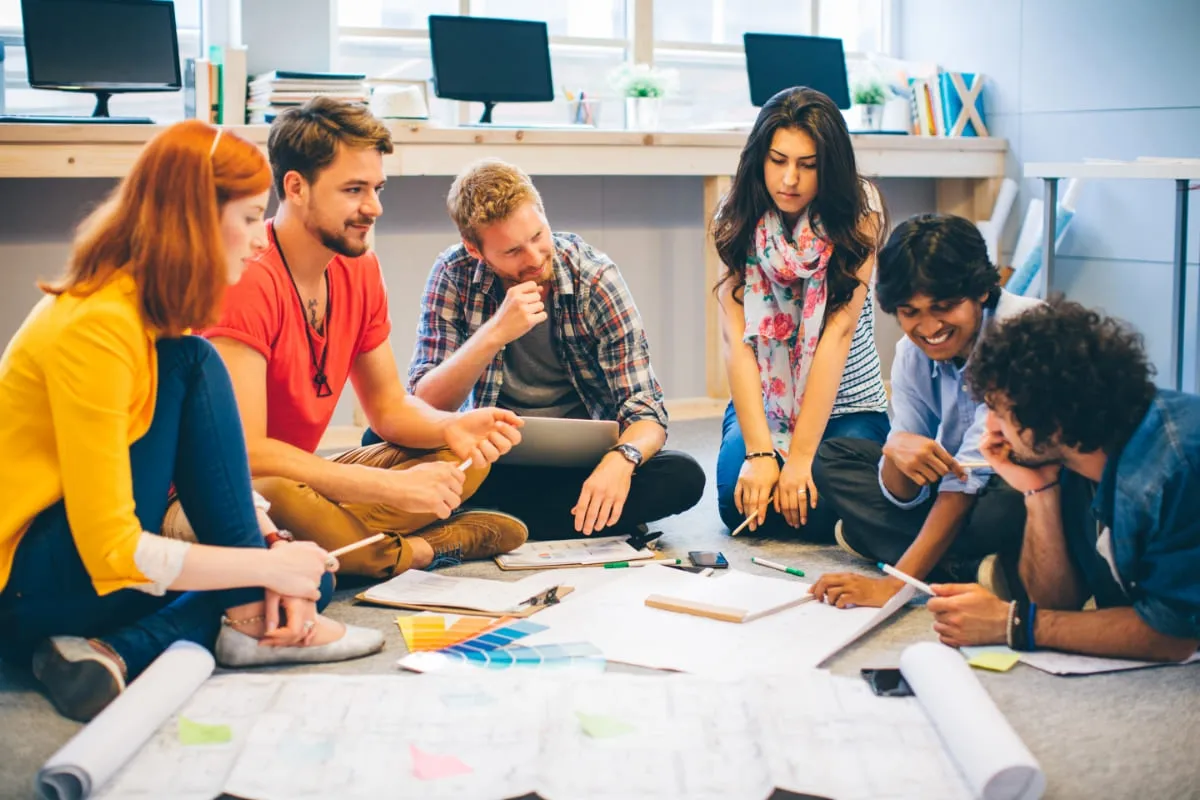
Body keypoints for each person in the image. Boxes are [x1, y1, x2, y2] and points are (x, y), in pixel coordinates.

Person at [0, 122, 382, 723]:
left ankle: (135, 646)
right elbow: (114, 550)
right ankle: (185, 632)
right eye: (252, 217)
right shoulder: (96, 327)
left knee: (302, 580)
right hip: (29, 588)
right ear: (196, 220)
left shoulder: (144, 314)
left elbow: (202, 467)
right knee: (273, 582)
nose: (260, 241)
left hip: (85, 570)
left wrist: (272, 548)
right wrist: (263, 566)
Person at [164, 99, 527, 579]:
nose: (373, 207)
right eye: (354, 190)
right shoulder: (247, 277)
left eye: (377, 187)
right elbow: (245, 451)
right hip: (214, 489)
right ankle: (419, 551)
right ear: (296, 187)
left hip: (304, 477)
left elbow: (389, 409)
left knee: (464, 456)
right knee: (278, 494)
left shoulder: (359, 267)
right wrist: (384, 489)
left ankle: (346, 542)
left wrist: (449, 427)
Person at [387, 157, 705, 539]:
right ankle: (553, 519)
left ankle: (487, 520)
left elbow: (646, 410)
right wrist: (494, 334)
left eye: (538, 236)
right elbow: (425, 405)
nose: (535, 259)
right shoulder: (453, 274)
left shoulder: (595, 278)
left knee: (682, 476)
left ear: (544, 214)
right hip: (487, 459)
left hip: (581, 463)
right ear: (475, 250)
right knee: (383, 443)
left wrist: (621, 460)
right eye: (512, 252)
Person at [927, 301, 1200, 662]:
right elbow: (1056, 601)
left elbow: (1174, 636)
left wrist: (1014, 623)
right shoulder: (1074, 456)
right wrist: (1038, 492)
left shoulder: (1177, 466)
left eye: (998, 411)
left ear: (1049, 420)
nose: (990, 427)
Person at [811, 214, 1039, 608]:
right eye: (910, 311)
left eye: (944, 306)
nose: (928, 327)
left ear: (982, 291)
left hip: (1026, 483)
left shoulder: (1021, 333)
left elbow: (965, 483)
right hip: (958, 483)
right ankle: (972, 567)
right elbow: (904, 489)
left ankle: (887, 544)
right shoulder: (910, 352)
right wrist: (897, 450)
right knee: (834, 457)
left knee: (1004, 508)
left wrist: (896, 586)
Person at [711, 86, 890, 539]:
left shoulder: (860, 213)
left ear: (829, 167)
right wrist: (760, 453)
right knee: (741, 503)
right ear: (759, 159)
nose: (789, 179)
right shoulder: (733, 217)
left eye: (807, 166)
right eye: (778, 160)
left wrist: (802, 459)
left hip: (849, 405)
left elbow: (838, 333)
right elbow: (737, 340)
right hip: (767, 405)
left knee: (819, 497)